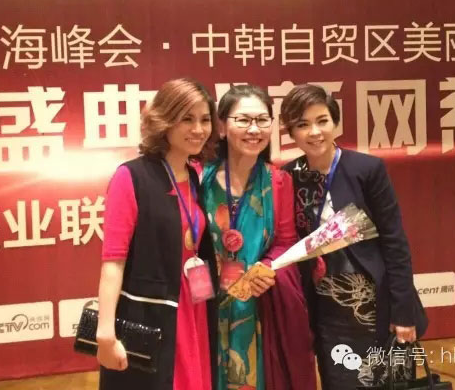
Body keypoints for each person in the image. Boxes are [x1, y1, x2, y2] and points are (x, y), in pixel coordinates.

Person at [279, 83, 428, 389]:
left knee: (389, 382)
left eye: (322, 121)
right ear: (291, 132)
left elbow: (395, 242)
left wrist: (403, 313)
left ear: (335, 122)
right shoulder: (288, 176)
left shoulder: (367, 169)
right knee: (340, 380)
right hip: (327, 311)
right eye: (303, 125)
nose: (314, 132)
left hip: (376, 306)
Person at [96, 78, 219, 390]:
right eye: (187, 119)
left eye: (205, 119)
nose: (198, 129)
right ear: (165, 120)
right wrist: (105, 332)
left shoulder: (195, 175)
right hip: (152, 311)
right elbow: (113, 261)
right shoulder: (131, 176)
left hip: (194, 305)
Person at [200, 84, 315, 390]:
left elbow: (285, 241)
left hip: (255, 303)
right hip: (204, 303)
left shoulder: (278, 181)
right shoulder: (200, 177)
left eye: (263, 120)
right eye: (243, 120)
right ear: (222, 127)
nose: (254, 129)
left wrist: (267, 267)